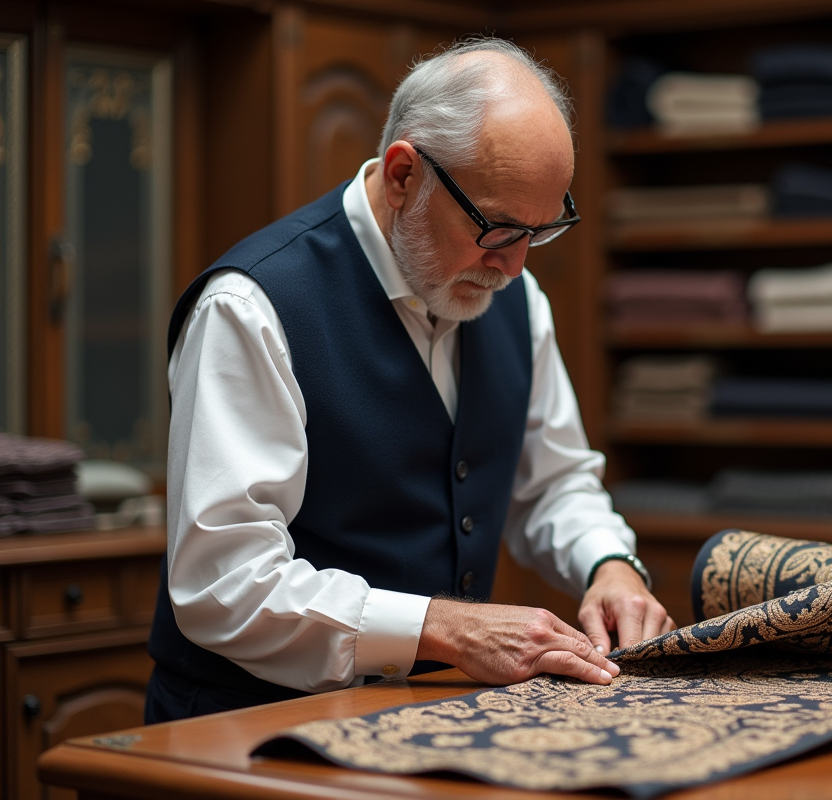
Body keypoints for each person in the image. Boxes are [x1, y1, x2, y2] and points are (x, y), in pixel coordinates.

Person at [144, 37, 674, 723]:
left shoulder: (515, 294)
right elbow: (226, 582)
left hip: (428, 719)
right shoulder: (252, 307)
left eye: (540, 233)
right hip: (244, 733)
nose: (514, 269)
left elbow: (553, 483)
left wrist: (609, 564)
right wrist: (448, 630)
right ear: (402, 176)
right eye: (498, 228)